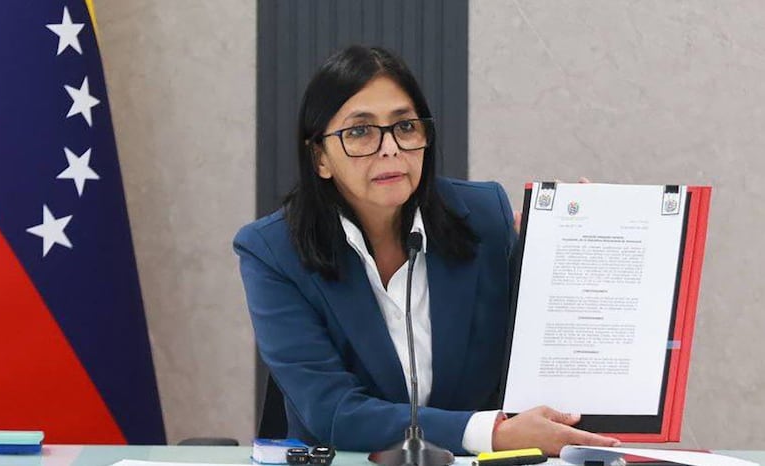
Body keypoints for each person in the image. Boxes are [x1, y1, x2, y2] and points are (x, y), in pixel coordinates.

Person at [233, 45, 619, 456]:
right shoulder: (273, 252)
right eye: (360, 132)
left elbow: (536, 353)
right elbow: (333, 413)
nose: (390, 148)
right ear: (320, 158)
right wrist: (492, 435)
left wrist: (574, 251)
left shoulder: (484, 219)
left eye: (405, 127)